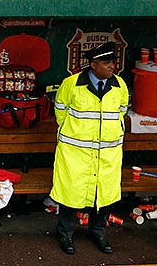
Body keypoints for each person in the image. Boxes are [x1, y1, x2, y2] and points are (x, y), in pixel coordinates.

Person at [51, 42, 129, 256]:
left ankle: (98, 232)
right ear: (93, 65)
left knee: (101, 196)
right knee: (71, 195)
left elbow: (122, 111)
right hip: (75, 154)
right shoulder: (71, 84)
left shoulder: (120, 85)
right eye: (106, 63)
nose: (112, 66)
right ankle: (65, 234)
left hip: (107, 154)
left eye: (112, 62)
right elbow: (60, 111)